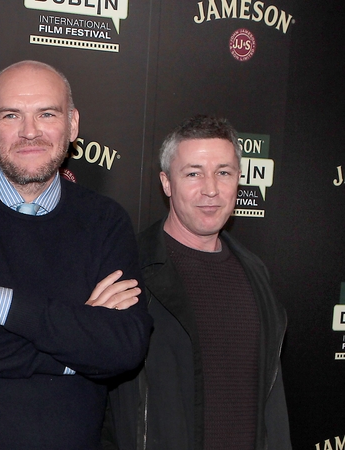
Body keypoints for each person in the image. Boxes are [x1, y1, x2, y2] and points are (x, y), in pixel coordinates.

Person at [0, 60, 152, 450]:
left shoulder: (106, 220)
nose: (29, 131)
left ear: (72, 124)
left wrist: (3, 303)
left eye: (47, 114)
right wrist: (77, 348)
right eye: (11, 115)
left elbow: (123, 347)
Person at [105, 115, 291, 449]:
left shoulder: (256, 274)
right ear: (166, 183)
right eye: (193, 173)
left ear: (239, 180)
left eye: (223, 173)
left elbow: (271, 408)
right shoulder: (128, 270)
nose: (211, 189)